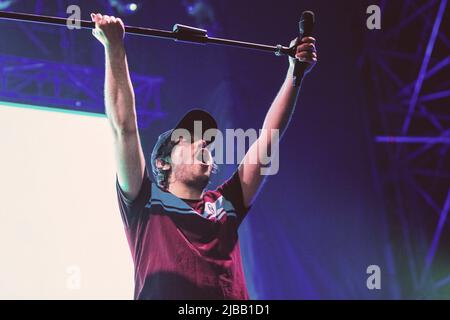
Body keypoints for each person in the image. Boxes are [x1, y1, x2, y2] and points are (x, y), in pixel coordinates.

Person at [91, 12, 317, 300]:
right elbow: (124, 129)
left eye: (207, 142)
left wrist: (294, 75)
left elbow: (268, 139)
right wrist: (114, 47)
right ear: (162, 163)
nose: (202, 144)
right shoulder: (144, 203)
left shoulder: (226, 203)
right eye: (187, 140)